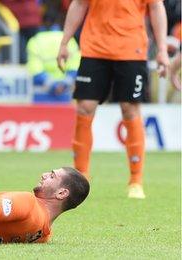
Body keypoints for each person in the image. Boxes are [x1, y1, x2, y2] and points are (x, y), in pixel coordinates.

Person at [57, 0, 170, 199]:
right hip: (94, 48)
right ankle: (81, 178)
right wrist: (64, 42)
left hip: (131, 50)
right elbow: (79, 4)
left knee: (130, 109)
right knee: (84, 107)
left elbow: (156, 7)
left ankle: (136, 181)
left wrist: (162, 49)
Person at [27, 11, 79, 103]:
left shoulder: (34, 41)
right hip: (66, 94)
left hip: (42, 96)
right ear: (59, 22)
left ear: (41, 22)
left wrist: (53, 85)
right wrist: (63, 84)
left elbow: (35, 71)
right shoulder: (69, 40)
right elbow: (75, 67)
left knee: (41, 118)